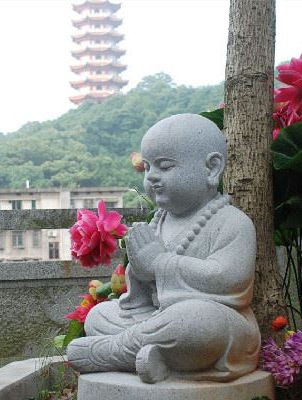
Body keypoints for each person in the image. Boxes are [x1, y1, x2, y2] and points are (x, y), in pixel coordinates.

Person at [67, 113, 260, 383]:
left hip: (214, 322)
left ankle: (113, 351)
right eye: (147, 168)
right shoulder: (159, 220)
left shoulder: (232, 222)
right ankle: (153, 356)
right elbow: (144, 291)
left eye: (165, 166)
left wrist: (159, 263)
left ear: (212, 168)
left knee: (196, 324)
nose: (153, 177)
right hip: (157, 318)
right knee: (99, 316)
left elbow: (231, 280)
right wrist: (141, 271)